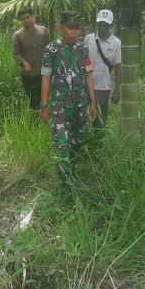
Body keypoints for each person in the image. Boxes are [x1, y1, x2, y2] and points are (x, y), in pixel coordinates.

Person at [40, 11, 97, 190]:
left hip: (80, 103)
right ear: (60, 28)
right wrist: (44, 105)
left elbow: (88, 75)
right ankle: (66, 184)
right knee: (62, 142)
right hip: (60, 106)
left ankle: (71, 171)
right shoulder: (51, 50)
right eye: (70, 28)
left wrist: (93, 102)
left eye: (77, 28)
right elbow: (46, 78)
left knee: (77, 141)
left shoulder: (83, 49)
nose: (74, 31)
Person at [83, 9, 122, 130]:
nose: (102, 28)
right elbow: (82, 60)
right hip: (86, 84)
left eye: (105, 25)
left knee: (99, 117)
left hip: (103, 86)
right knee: (81, 113)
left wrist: (116, 90)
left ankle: (98, 141)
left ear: (111, 25)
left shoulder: (116, 43)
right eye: (100, 24)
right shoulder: (89, 39)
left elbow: (118, 67)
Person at [12, 6, 50, 110]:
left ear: (32, 17)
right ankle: (33, 120)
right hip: (28, 74)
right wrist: (24, 63)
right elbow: (16, 54)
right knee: (33, 100)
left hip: (44, 72)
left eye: (28, 17)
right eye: (23, 18)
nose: (26, 20)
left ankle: (44, 118)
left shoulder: (43, 31)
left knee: (45, 98)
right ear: (20, 20)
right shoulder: (18, 35)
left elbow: (49, 49)